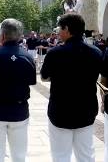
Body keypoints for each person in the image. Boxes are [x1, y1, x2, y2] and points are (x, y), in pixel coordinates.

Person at [41, 14, 102, 162]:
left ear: (66, 29)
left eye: (59, 29)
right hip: (86, 110)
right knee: (86, 154)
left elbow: (44, 77)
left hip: (60, 111)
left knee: (61, 156)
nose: (58, 33)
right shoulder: (96, 52)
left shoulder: (55, 53)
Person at [0, 18, 36, 162]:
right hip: (19, 110)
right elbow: (30, 82)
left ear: (2, 35)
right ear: (20, 36)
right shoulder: (27, 57)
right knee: (19, 155)